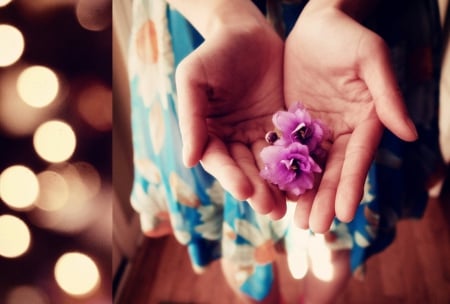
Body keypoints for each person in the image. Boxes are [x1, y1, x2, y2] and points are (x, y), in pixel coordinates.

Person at [126, 0, 444, 303]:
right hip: (203, 25)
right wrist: (223, 15)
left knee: (339, 228)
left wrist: (335, 8)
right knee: (238, 228)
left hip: (356, 26)